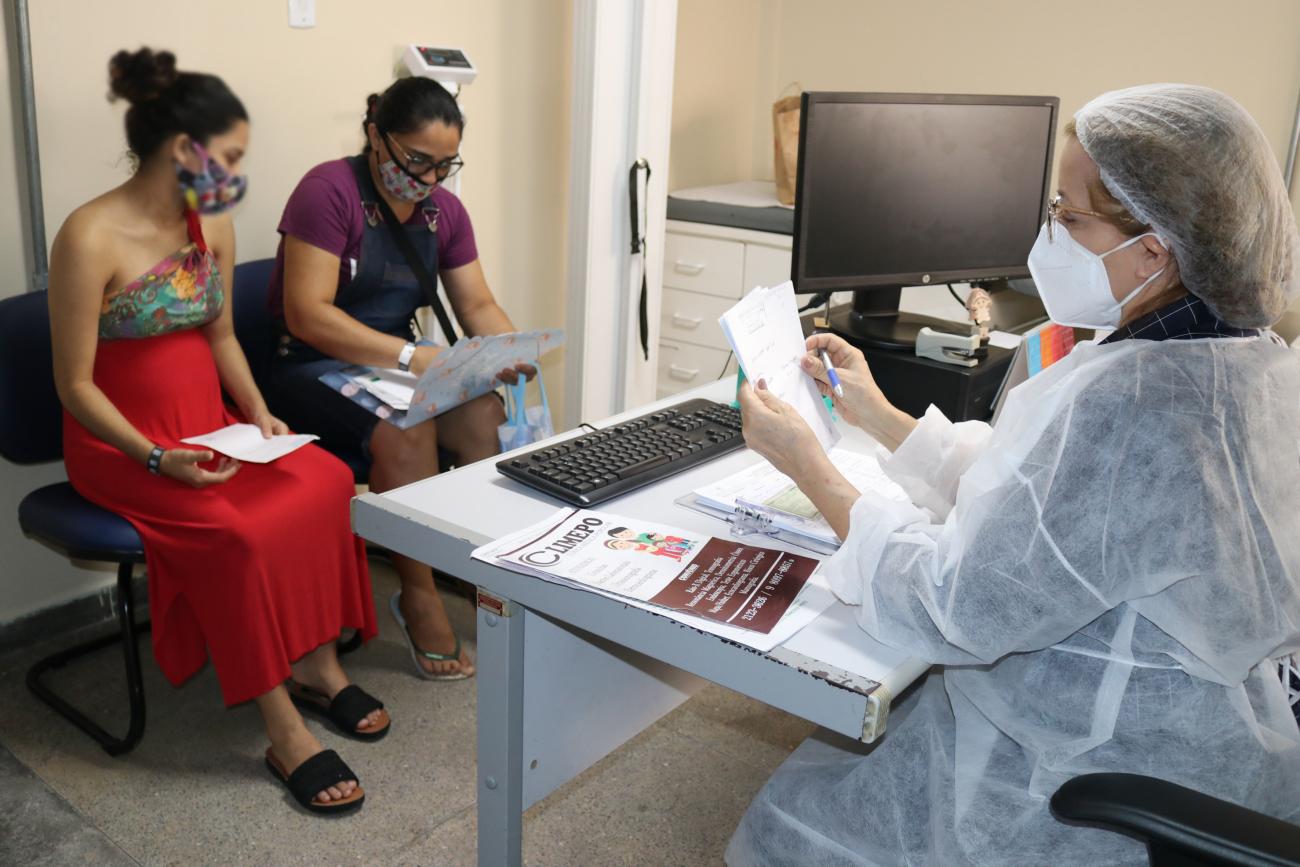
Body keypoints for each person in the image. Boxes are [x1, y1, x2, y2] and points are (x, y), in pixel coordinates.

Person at [729, 83, 1300, 865]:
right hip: (1229, 735)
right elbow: (1043, 499)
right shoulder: (1241, 360)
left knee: (784, 826)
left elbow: (950, 605)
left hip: (1102, 770)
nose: (1049, 232)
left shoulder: (1132, 405)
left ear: (1154, 250)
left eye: (1068, 215)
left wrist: (812, 465)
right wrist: (877, 415)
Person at [49, 48, 389, 816]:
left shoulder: (216, 223)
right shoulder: (88, 234)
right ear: (183, 151)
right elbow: (72, 385)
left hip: (212, 426)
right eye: (229, 156)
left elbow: (222, 335)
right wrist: (156, 455)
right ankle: (284, 726)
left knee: (326, 480)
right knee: (231, 529)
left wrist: (261, 415)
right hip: (121, 444)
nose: (236, 171)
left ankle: (319, 662)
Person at [263, 77, 534, 681]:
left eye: (444, 165)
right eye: (416, 160)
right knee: (408, 428)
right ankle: (418, 594)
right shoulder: (326, 191)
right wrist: (412, 357)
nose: (429, 179)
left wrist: (508, 350)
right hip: (308, 366)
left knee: (484, 411)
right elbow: (307, 313)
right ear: (374, 136)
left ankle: (472, 560)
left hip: (395, 367)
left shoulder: (445, 212)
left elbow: (478, 305)